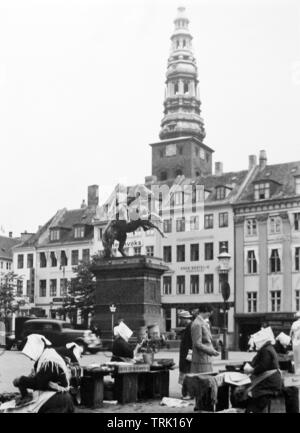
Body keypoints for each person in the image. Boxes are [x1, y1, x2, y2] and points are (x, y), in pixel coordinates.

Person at [11, 334, 74, 413]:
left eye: (30, 355)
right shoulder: (46, 357)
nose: (30, 359)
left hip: (58, 401)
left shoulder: (50, 360)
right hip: (54, 398)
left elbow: (40, 383)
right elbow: (40, 379)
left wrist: (21, 380)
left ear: (35, 348)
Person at [232, 327, 282, 413]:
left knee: (250, 395)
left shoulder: (265, 350)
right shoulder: (268, 348)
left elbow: (263, 366)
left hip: (268, 383)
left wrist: (251, 370)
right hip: (271, 381)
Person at [190, 304, 219, 373]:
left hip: (204, 359)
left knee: (207, 380)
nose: (209, 316)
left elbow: (206, 340)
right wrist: (210, 351)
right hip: (201, 360)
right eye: (209, 314)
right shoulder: (197, 324)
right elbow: (197, 343)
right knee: (203, 381)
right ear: (206, 311)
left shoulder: (202, 322)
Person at [178, 310, 193, 397]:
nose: (180, 321)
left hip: (187, 355)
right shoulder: (189, 326)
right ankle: (187, 393)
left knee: (187, 374)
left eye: (180, 319)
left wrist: (190, 355)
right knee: (186, 373)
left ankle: (188, 394)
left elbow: (191, 342)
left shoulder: (190, 327)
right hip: (186, 355)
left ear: (184, 319)